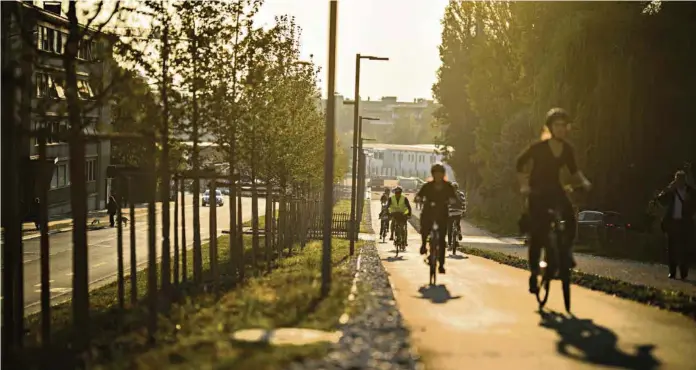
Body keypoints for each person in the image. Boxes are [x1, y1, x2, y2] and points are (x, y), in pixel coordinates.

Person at [516, 108, 592, 294]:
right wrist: (524, 185)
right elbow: (520, 163)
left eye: (563, 125)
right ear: (550, 127)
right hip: (537, 191)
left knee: (571, 219)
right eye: (556, 125)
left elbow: (574, 170)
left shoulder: (567, 149)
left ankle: (565, 252)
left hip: (555, 190)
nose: (560, 128)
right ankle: (534, 273)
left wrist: (584, 181)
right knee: (537, 235)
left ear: (567, 128)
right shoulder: (539, 147)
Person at [415, 163, 458, 274]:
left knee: (442, 241)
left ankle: (441, 265)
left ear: (443, 174)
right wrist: (418, 198)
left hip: (442, 214)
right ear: (433, 174)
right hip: (428, 212)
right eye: (435, 174)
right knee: (424, 227)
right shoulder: (427, 186)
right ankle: (424, 245)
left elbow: (454, 198)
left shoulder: (448, 186)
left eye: (440, 174)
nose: (438, 176)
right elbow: (419, 195)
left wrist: (452, 201)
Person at [656, 169, 695, 280]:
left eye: (681, 180)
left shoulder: (690, 192)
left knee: (685, 249)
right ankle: (672, 272)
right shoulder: (672, 191)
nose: (679, 183)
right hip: (673, 222)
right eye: (677, 180)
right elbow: (661, 200)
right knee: (671, 248)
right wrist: (668, 189)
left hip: (685, 223)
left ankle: (684, 272)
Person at [447, 182, 466, 247]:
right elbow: (463, 203)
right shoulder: (461, 194)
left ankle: (449, 243)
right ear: (457, 187)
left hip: (450, 212)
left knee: (449, 227)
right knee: (457, 224)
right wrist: (463, 211)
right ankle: (459, 232)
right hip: (459, 212)